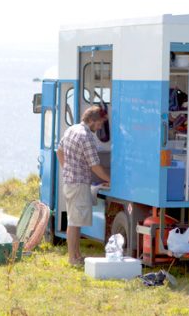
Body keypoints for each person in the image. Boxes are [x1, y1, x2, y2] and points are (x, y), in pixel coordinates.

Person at [56, 106, 111, 266]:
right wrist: (110, 179)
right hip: (79, 184)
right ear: (92, 120)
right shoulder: (86, 136)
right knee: (74, 222)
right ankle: (73, 259)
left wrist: (67, 168)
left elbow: (59, 151)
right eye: (100, 123)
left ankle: (76, 255)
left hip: (70, 181)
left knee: (75, 220)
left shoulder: (71, 130)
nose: (100, 127)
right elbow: (94, 165)